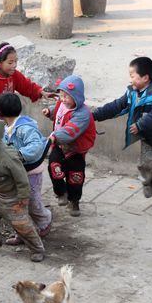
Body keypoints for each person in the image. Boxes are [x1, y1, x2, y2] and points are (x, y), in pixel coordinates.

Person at [91, 57, 152, 212]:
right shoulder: (132, 92)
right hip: (148, 139)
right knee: (144, 165)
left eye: (132, 75)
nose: (130, 79)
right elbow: (117, 106)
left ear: (145, 78)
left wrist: (139, 125)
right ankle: (147, 182)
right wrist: (94, 115)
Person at [0, 41, 55, 189]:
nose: (14, 65)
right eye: (10, 62)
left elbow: (26, 85)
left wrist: (41, 92)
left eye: (16, 61)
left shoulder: (12, 75)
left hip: (0, 116)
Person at [0, 117, 46, 262]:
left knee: (22, 225)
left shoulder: (9, 156)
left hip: (12, 199)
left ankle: (37, 249)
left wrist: (23, 199)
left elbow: (22, 179)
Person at [0, 93, 52, 246]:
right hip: (16, 173)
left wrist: (18, 155)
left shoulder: (24, 128)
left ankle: (44, 221)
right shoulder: (5, 128)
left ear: (0, 112)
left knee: (32, 202)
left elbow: (36, 146)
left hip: (31, 173)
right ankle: (22, 232)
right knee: (17, 205)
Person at [42, 75, 96, 217]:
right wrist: (50, 112)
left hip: (75, 150)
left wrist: (55, 136)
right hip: (59, 147)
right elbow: (59, 110)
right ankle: (61, 192)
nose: (63, 99)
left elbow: (70, 131)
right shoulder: (62, 103)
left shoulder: (83, 114)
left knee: (75, 176)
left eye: (67, 96)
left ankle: (74, 201)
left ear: (77, 97)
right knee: (54, 166)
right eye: (61, 95)